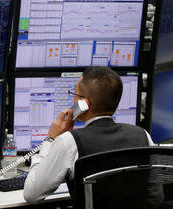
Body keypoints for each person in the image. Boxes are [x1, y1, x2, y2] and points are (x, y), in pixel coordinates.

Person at [23, 66, 155, 203]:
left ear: (83, 103)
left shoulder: (69, 142)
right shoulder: (142, 135)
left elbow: (31, 194)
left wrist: (51, 139)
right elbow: (156, 191)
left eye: (75, 95)